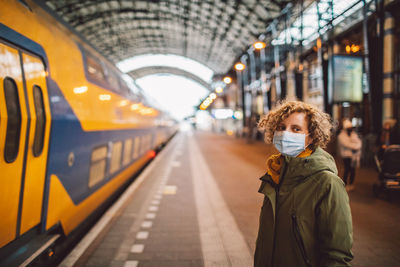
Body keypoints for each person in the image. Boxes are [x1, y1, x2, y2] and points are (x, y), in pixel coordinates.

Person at [255, 101, 353, 267]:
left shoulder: (327, 183)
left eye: (296, 129)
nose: (285, 134)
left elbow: (337, 255)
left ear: (312, 136)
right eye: (281, 127)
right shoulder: (276, 175)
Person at [337, 119, 362, 191]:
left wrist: (355, 146)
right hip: (346, 155)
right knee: (347, 169)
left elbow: (359, 143)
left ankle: (351, 184)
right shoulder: (341, 136)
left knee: (353, 170)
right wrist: (354, 146)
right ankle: (344, 184)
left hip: (354, 155)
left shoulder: (354, 134)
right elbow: (346, 144)